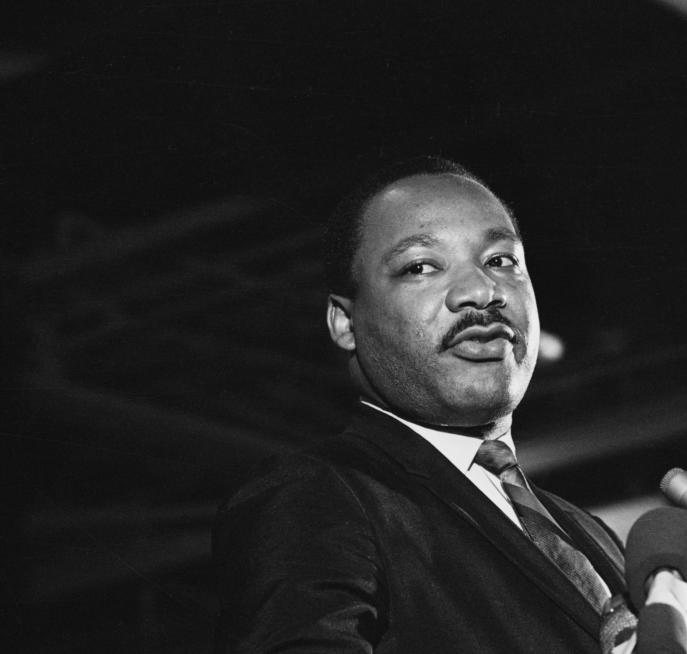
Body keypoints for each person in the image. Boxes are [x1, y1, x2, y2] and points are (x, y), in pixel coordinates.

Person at [212, 156, 628, 653]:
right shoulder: (317, 495)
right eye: (420, 267)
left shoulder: (590, 533)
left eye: (500, 260)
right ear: (345, 323)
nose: (482, 291)